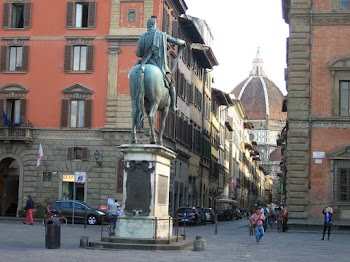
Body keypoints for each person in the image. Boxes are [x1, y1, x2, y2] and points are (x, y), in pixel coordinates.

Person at [135, 16, 186, 111]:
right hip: (158, 65)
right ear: (154, 25)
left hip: (144, 63)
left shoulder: (142, 37)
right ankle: (173, 106)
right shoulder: (161, 35)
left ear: (148, 26)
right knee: (171, 84)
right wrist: (183, 43)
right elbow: (175, 41)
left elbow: (138, 53)